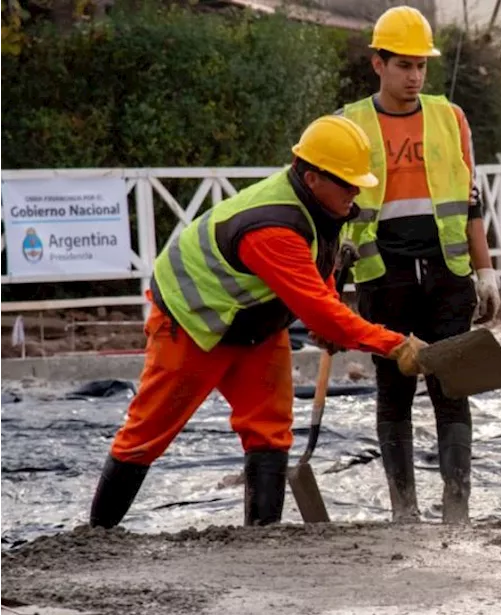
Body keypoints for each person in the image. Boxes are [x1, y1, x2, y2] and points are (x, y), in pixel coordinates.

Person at [89, 115, 429, 529]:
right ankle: (97, 535)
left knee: (270, 430)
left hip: (256, 322)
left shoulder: (323, 208)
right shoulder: (273, 228)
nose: (355, 191)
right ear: (311, 176)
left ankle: (261, 540)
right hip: (192, 321)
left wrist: (329, 312)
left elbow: (319, 273)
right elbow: (318, 308)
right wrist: (393, 344)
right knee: (148, 433)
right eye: (346, 182)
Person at [337, 5, 499, 524]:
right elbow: (332, 211)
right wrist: (328, 288)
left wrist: (485, 270)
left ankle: (457, 508)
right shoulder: (350, 124)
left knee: (455, 390)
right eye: (403, 64)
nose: (414, 76)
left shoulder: (450, 117)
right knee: (394, 393)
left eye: (420, 65)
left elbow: (470, 200)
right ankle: (403, 508)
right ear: (377, 64)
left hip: (448, 275)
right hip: (384, 279)